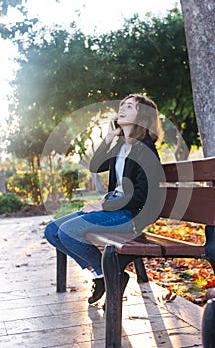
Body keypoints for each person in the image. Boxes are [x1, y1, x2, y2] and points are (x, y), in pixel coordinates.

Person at [44, 93, 164, 305]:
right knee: (52, 231)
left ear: (142, 116)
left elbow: (141, 196)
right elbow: (95, 166)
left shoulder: (145, 150)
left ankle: (109, 275)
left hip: (130, 215)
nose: (122, 108)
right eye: (122, 105)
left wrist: (102, 206)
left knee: (67, 231)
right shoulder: (122, 145)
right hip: (115, 209)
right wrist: (109, 138)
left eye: (130, 106)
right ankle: (103, 275)